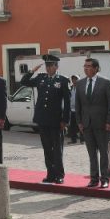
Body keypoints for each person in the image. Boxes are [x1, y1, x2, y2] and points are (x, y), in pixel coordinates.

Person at [20, 54, 69, 183]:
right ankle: (50, 174)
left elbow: (67, 103)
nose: (48, 68)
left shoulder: (63, 80)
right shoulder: (40, 78)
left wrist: (65, 120)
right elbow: (24, 82)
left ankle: (59, 175)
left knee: (57, 149)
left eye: (50, 65)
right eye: (47, 65)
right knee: (47, 148)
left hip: (56, 120)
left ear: (56, 66)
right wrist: (32, 71)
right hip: (42, 119)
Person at [75, 57, 110, 188]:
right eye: (85, 66)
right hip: (86, 124)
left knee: (104, 153)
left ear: (96, 68)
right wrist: (79, 122)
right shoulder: (80, 84)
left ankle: (105, 179)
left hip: (102, 124)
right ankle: (94, 179)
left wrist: (109, 122)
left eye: (89, 66)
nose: (86, 68)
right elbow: (78, 105)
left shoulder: (105, 83)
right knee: (92, 154)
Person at [67, 74, 83, 144]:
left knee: (81, 125)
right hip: (72, 110)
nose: (74, 80)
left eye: (76, 79)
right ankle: (73, 140)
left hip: (80, 110)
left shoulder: (81, 88)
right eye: (73, 79)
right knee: (72, 126)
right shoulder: (70, 88)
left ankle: (83, 140)